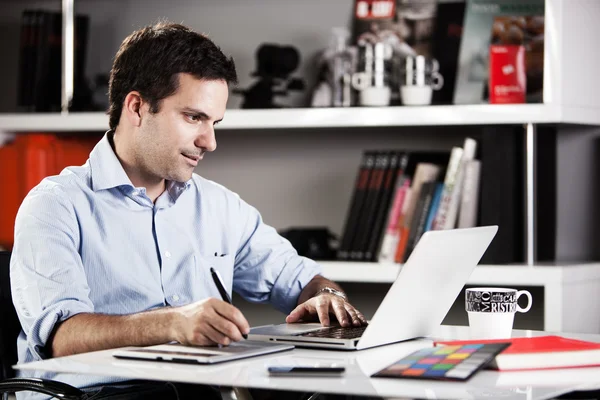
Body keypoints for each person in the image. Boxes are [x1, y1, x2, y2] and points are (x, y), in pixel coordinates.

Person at [10, 22, 367, 400]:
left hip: (200, 392)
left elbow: (303, 281)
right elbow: (61, 338)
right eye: (194, 117)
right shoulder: (54, 205)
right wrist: (172, 323)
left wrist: (327, 295)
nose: (210, 142)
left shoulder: (219, 207)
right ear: (137, 108)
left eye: (215, 123)